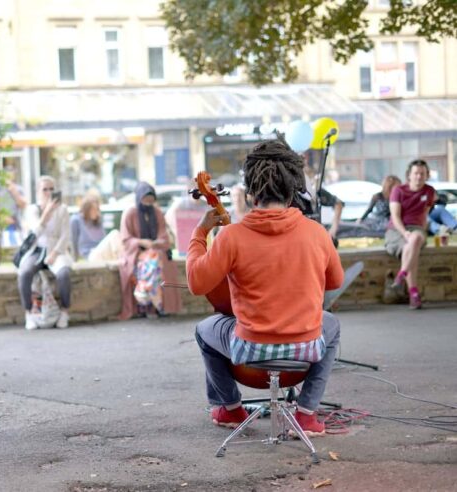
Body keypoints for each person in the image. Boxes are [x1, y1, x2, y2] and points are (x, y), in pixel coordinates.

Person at [187, 140, 344, 435]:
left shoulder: (231, 237)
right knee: (331, 325)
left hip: (249, 352)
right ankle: (307, 413)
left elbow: (197, 282)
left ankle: (230, 409)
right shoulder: (317, 233)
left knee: (204, 330)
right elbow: (334, 282)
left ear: (249, 193)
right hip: (305, 351)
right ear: (293, 189)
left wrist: (201, 232)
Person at [118, 182, 182, 320]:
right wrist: (141, 242)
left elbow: (163, 234)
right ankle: (150, 304)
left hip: (155, 250)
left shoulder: (157, 212)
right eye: (145, 199)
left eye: (151, 200)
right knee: (153, 261)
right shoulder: (130, 213)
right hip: (135, 253)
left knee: (157, 259)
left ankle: (156, 303)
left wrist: (156, 242)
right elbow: (125, 239)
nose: (148, 203)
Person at [19, 176, 73, 330]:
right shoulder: (32, 210)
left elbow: (65, 236)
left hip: (56, 250)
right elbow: (35, 233)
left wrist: (55, 253)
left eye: (51, 189)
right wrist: (46, 213)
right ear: (38, 192)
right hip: (36, 250)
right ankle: (29, 313)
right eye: (45, 189)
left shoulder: (63, 210)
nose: (49, 192)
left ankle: (64, 311)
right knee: (24, 273)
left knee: (64, 274)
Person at [386, 159, 436, 309]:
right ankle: (413, 293)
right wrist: (404, 232)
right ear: (409, 175)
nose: (419, 177)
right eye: (416, 173)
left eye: (422, 174)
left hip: (417, 229)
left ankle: (402, 275)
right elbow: (395, 216)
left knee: (415, 239)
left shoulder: (429, 191)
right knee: (411, 247)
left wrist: (416, 231)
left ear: (427, 175)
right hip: (396, 229)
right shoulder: (398, 190)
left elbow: (424, 215)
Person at [0, 165, 27, 247]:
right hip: (1, 226)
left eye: (12, 174)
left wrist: (14, 191)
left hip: (16, 225)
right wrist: (2, 217)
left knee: (15, 246)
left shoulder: (18, 189)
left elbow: (23, 205)